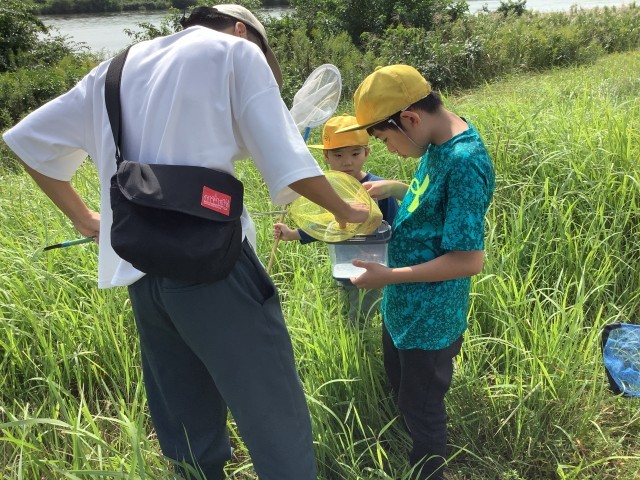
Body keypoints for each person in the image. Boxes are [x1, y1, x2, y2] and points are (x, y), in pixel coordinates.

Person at [2, 5, 371, 480]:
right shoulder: (237, 51)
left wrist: (85, 219)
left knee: (186, 426)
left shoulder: (113, 69)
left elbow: (29, 142)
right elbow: (291, 167)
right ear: (242, 30)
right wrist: (348, 210)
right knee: (274, 417)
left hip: (141, 270)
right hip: (215, 270)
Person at [336, 65, 495, 479]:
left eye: (386, 140)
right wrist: (395, 188)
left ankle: (428, 470)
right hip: (404, 305)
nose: (389, 149)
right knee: (401, 384)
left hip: (430, 315)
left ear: (409, 119)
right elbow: (436, 204)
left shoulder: (463, 160)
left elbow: (468, 260)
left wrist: (387, 277)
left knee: (421, 404)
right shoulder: (437, 143)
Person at [273, 114, 399, 326]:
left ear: (366, 153)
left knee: (362, 314)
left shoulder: (379, 189)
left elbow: (395, 226)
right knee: (348, 300)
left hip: (374, 263)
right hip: (343, 262)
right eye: (338, 155)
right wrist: (293, 234)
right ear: (326, 157)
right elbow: (324, 224)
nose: (347, 161)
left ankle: (360, 343)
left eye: (355, 153)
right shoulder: (329, 191)